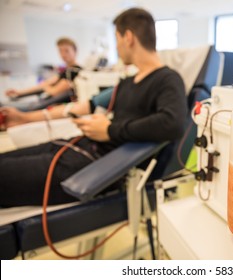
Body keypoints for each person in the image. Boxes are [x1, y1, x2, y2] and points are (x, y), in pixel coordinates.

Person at [0, 8, 187, 207]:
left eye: (116, 39)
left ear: (128, 37)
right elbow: (84, 106)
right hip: (74, 146)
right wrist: (25, 118)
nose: (116, 47)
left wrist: (109, 129)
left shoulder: (167, 79)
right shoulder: (126, 82)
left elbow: (172, 123)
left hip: (93, 164)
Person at [5, 37, 82, 99]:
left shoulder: (74, 71)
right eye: (60, 51)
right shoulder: (65, 70)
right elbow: (45, 84)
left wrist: (45, 86)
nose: (63, 54)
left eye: (66, 51)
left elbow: (54, 91)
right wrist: (19, 92)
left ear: (75, 51)